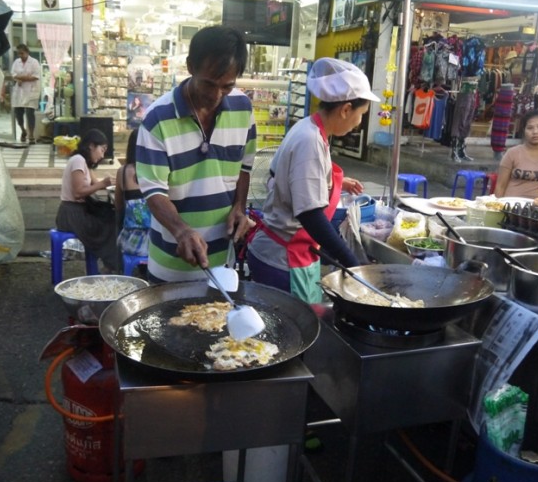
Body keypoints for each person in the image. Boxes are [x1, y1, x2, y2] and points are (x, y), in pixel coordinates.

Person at [246, 58, 380, 303]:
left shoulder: (310, 128)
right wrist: (352, 262)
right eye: (361, 115)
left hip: (290, 251)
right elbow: (310, 215)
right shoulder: (310, 140)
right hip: (282, 258)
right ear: (346, 109)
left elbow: (303, 180)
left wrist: (339, 183)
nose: (359, 123)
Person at [136, 25, 256, 283]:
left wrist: (239, 206)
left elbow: (244, 167)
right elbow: (153, 191)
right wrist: (181, 231)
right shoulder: (157, 119)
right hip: (171, 265)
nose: (215, 95)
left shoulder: (243, 108)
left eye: (226, 86)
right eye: (209, 83)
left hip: (223, 267)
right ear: (190, 66)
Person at [55, 129, 117, 273]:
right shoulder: (78, 160)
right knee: (108, 226)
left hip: (77, 211)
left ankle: (110, 264)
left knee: (111, 215)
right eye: (102, 150)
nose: (102, 155)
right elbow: (78, 193)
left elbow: (97, 184)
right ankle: (109, 265)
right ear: (91, 146)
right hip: (71, 214)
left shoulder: (84, 163)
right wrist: (103, 184)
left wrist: (112, 182)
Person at [115, 130, 151, 275]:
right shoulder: (155, 171)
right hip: (155, 243)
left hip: (130, 242)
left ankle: (118, 266)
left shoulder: (122, 172)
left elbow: (118, 205)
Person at [11, 43, 41, 144]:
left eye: (22, 53)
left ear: (27, 52)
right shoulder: (16, 62)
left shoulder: (34, 62)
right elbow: (13, 75)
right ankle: (23, 131)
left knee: (30, 114)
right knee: (18, 115)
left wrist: (20, 78)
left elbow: (36, 76)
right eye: (18, 53)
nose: (20, 55)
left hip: (31, 92)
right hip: (19, 92)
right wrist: (17, 78)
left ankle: (31, 135)